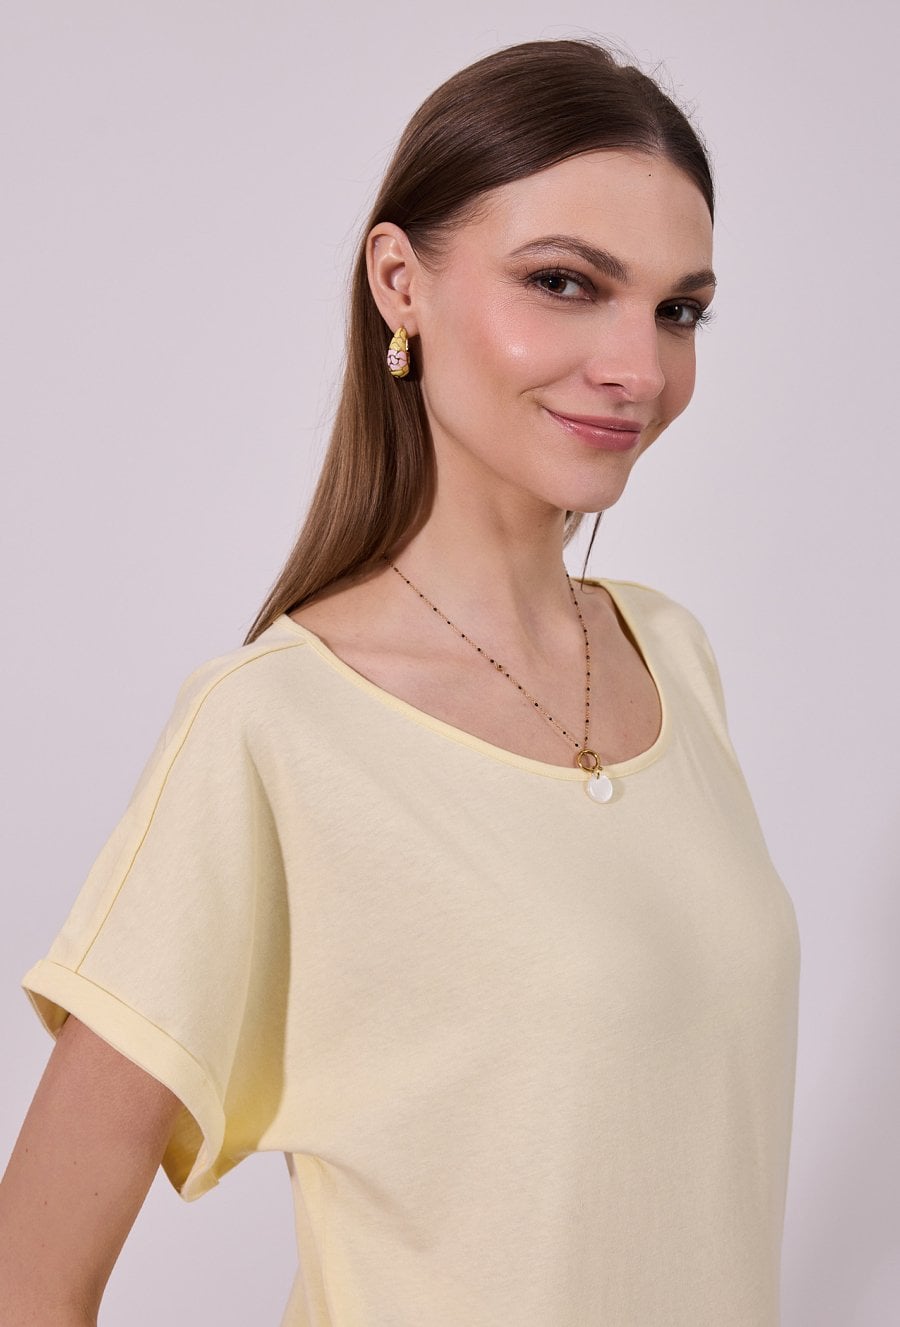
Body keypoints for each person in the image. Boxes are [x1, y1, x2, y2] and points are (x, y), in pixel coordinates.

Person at [0, 37, 800, 1327]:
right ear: (400, 284)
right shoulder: (273, 727)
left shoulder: (674, 657)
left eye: (678, 310)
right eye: (563, 283)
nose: (640, 368)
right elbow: (29, 1276)